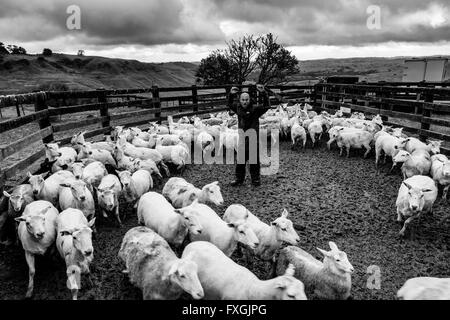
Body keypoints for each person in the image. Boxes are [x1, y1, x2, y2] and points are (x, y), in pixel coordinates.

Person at [227, 84, 271, 187]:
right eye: (243, 99)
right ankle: (239, 179)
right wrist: (231, 94)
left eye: (246, 99)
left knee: (254, 161)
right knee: (240, 162)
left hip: (253, 140)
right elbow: (229, 104)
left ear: (249, 100)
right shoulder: (237, 108)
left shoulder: (255, 109)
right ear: (240, 100)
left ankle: (255, 180)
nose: (245, 101)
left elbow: (267, 106)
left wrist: (263, 93)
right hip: (242, 139)